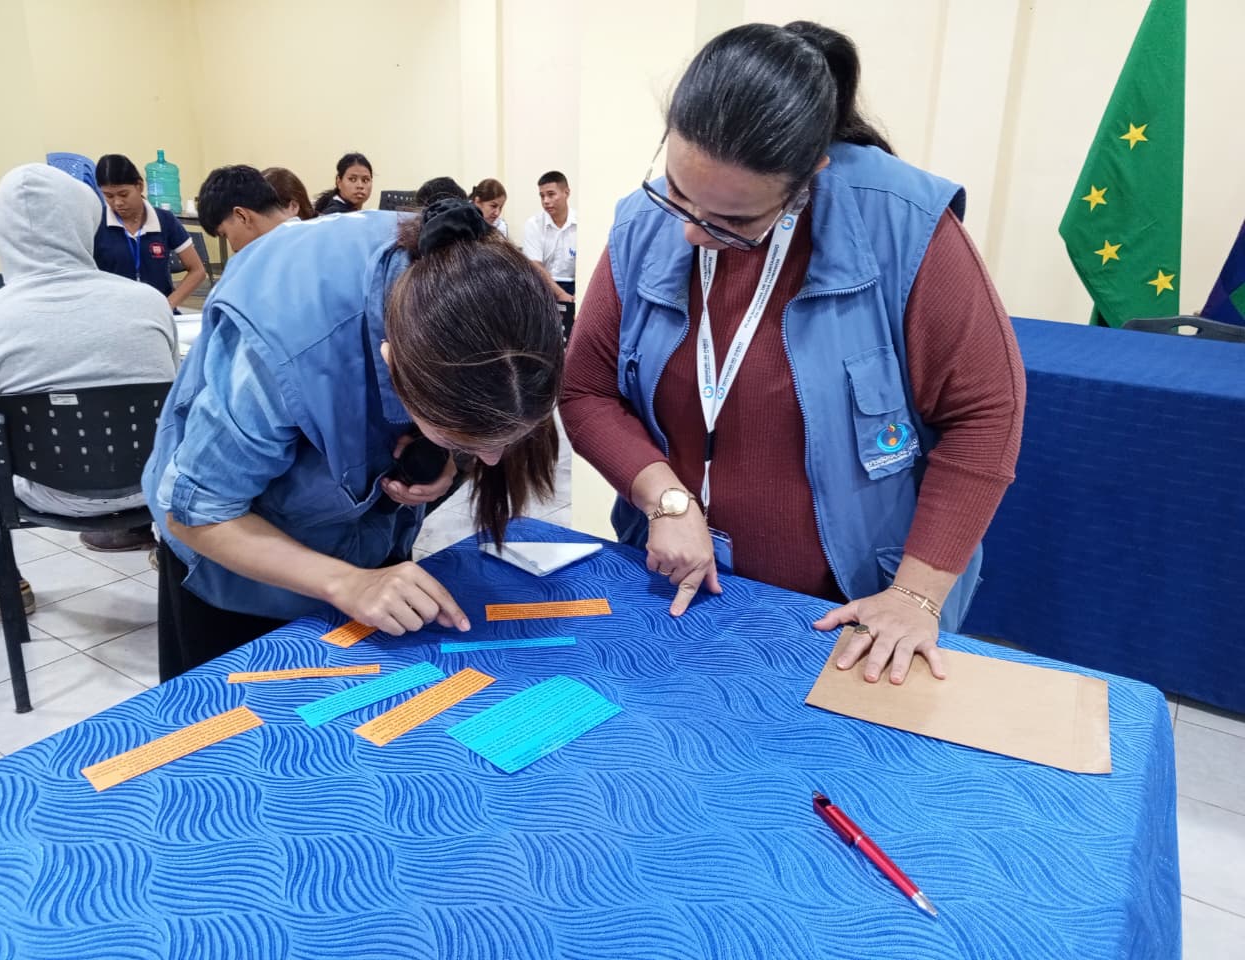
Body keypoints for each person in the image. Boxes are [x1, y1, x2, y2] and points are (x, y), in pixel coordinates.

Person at [560, 21, 1025, 686]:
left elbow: (987, 413)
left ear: (809, 178)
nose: (692, 232)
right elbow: (585, 391)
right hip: (685, 590)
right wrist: (665, 499)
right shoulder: (643, 225)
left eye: (733, 222)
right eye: (679, 192)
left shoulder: (903, 225)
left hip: (850, 615)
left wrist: (915, 596)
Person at [143, 198, 562, 680]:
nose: (491, 460)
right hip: (235, 563)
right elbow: (198, 513)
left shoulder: (475, 283)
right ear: (392, 362)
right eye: (462, 438)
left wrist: (449, 458)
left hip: (358, 544)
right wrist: (346, 583)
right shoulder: (285, 345)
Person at [0, 164, 177, 613]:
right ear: (87, 221)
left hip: (48, 488)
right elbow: (172, 400)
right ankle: (171, 549)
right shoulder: (149, 302)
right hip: (154, 482)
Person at [93, 154, 207, 309]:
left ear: (139, 186)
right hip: (114, 313)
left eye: (124, 194)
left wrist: (168, 305)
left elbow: (197, 271)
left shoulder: (165, 220)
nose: (117, 203)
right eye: (109, 196)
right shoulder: (96, 223)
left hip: (159, 312)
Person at [196, 165, 293, 253]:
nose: (233, 248)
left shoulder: (250, 261)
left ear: (242, 216)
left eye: (225, 234)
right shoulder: (300, 237)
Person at [522, 170, 576, 300]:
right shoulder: (533, 224)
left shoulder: (582, 223)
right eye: (542, 196)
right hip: (542, 284)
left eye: (551, 194)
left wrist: (580, 293)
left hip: (575, 285)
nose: (545, 201)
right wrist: (560, 294)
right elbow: (535, 266)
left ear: (566, 193)